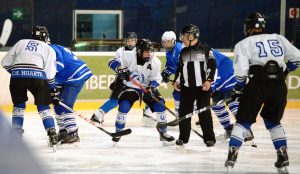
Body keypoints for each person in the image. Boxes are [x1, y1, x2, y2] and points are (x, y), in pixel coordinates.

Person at [225, 12, 300, 173]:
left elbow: (241, 72)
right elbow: (297, 58)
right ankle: (282, 155)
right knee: (273, 122)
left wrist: (238, 88)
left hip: (256, 85)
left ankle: (232, 155)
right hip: (279, 87)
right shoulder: (278, 38)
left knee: (243, 121)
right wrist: (286, 71)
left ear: (249, 26)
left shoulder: (243, 44)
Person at [104, 39, 175, 145]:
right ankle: (119, 132)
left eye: (150, 51)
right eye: (146, 51)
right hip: (130, 86)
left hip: (146, 87)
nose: (149, 54)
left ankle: (163, 133)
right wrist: (119, 68)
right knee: (124, 105)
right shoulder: (129, 55)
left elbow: (156, 79)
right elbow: (111, 61)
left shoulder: (155, 61)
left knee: (161, 105)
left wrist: (152, 87)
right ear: (139, 51)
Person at [1, 25, 58, 148]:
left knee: (18, 106)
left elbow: (5, 63)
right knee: (43, 107)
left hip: (17, 78)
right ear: (45, 36)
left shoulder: (21, 42)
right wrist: (52, 89)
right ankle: (52, 133)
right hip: (37, 78)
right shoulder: (48, 48)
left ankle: (15, 134)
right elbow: (50, 73)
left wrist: (17, 72)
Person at [173, 24, 216, 148]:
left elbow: (212, 67)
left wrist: (208, 81)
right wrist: (176, 80)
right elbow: (180, 68)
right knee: (184, 112)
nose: (182, 38)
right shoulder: (183, 52)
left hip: (202, 88)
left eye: (184, 36)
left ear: (191, 36)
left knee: (204, 112)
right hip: (187, 88)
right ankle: (183, 138)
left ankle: (209, 138)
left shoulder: (206, 49)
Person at [49, 41, 92, 145]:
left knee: (66, 104)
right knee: (57, 104)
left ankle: (73, 133)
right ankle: (63, 132)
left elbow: (58, 65)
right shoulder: (47, 49)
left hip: (75, 74)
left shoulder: (51, 49)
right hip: (64, 77)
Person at [91, 32, 137, 124]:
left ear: (136, 41)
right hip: (122, 79)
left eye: (132, 40)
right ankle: (97, 115)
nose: (130, 43)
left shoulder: (138, 50)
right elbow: (116, 65)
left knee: (148, 94)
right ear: (125, 41)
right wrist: (118, 76)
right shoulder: (120, 51)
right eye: (129, 40)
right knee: (116, 99)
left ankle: (147, 114)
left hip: (137, 80)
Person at [210, 49, 254, 142]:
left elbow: (214, 71)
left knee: (232, 103)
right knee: (217, 106)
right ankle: (229, 129)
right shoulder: (194, 54)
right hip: (219, 84)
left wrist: (210, 88)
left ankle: (246, 129)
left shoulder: (207, 52)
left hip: (229, 78)